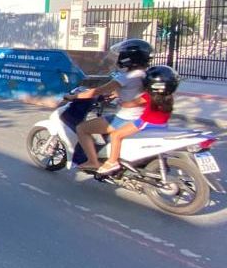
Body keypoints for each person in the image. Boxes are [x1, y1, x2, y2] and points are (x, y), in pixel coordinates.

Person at [65, 38, 153, 170]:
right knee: (101, 123)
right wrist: (116, 95)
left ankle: (93, 162)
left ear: (128, 58)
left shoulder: (126, 77)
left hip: (125, 118)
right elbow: (134, 90)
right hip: (139, 115)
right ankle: (109, 154)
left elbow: (97, 91)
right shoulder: (143, 74)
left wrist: (73, 96)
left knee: (82, 128)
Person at [95, 65, 178, 176]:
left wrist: (119, 101)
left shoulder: (147, 97)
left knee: (116, 135)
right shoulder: (169, 96)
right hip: (162, 125)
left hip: (145, 123)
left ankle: (112, 162)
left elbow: (129, 104)